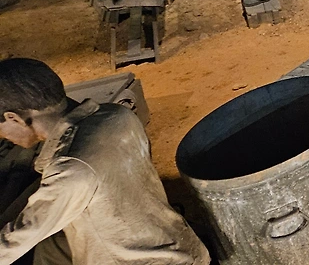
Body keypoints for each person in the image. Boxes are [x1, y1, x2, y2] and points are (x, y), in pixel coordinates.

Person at [0, 58, 211, 264]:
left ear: (13, 118)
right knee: (53, 245)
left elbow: (14, 242)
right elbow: (53, 188)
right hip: (178, 246)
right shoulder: (117, 115)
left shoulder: (70, 170)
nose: (3, 136)